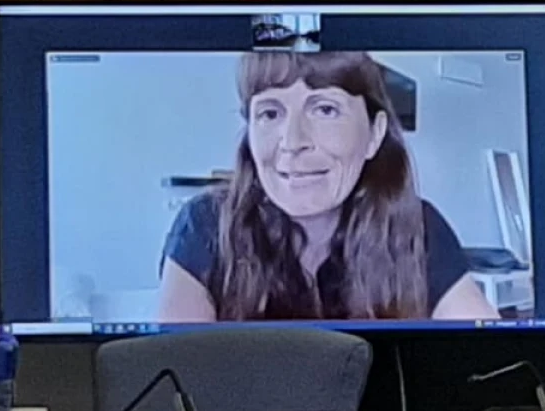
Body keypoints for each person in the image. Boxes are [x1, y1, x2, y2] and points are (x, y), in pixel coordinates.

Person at [158, 51, 499, 323]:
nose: (293, 142)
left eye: (324, 109)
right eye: (270, 114)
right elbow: (172, 370)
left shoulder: (418, 227)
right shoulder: (206, 224)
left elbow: (492, 358)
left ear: (375, 134)